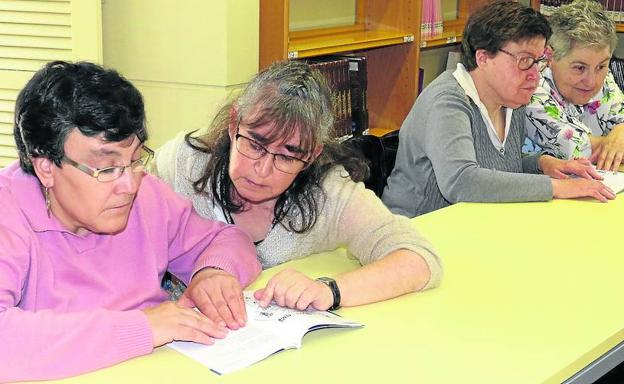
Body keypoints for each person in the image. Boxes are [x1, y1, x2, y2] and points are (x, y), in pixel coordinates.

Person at [0, 61, 261, 382]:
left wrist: (213, 273)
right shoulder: (8, 213)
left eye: (136, 160)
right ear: (46, 168)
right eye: (107, 168)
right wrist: (143, 327)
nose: (129, 185)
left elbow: (227, 240)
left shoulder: (146, 195)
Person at [152, 60, 442, 313]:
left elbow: (418, 259)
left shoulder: (328, 191)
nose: (262, 170)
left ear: (312, 155)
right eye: (254, 144)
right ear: (233, 123)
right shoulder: (181, 166)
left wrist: (330, 291)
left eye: (287, 156)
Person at [381, 1, 614, 218]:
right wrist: (556, 187)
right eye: (524, 60)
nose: (535, 74)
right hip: (417, 234)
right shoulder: (447, 102)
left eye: (539, 61)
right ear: (483, 58)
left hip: (477, 226)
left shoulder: (513, 98)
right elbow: (462, 181)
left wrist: (542, 164)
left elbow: (498, 167)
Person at [524, 0, 624, 171]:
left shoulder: (604, 77)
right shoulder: (531, 88)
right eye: (579, 68)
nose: (592, 81)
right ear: (550, 56)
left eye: (601, 66)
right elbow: (577, 147)